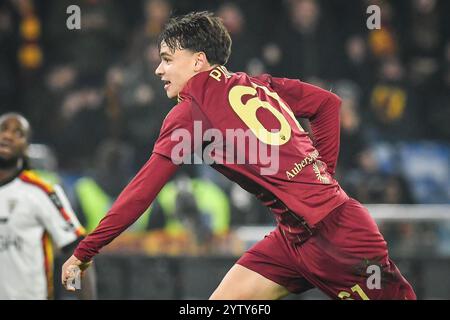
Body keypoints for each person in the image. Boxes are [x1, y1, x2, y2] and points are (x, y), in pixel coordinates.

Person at [62, 11, 416, 300]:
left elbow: (142, 190)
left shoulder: (191, 111)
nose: (159, 70)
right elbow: (328, 104)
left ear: (198, 61)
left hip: (337, 239)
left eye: (168, 60)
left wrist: (85, 251)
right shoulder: (258, 83)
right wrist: (322, 176)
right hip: (294, 237)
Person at [0, 112, 95, 299]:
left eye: (18, 133)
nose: (8, 135)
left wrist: (76, 292)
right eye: (3, 129)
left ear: (26, 147)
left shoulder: (41, 192)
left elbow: (75, 251)